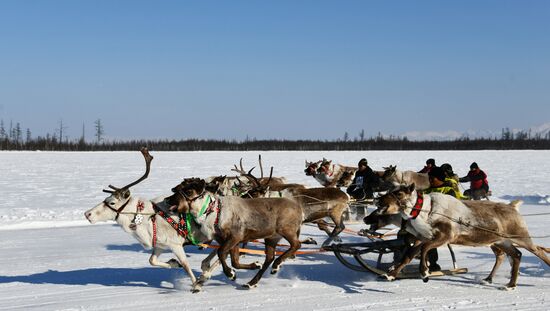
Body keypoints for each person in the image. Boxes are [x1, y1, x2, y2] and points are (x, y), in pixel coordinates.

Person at [420, 166, 462, 272]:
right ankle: (399, 259)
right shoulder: (426, 191)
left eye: (432, 178)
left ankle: (433, 263)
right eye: (429, 178)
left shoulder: (449, 190)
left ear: (439, 178)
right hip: (427, 221)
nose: (430, 180)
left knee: (430, 235)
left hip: (444, 223)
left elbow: (453, 209)